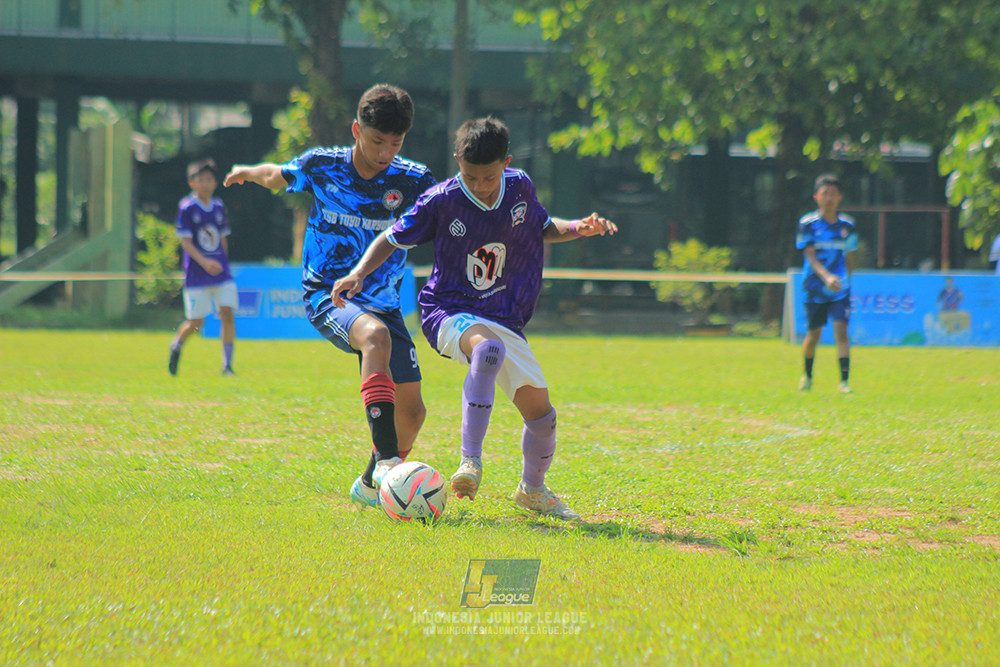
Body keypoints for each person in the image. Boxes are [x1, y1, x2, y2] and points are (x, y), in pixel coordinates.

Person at [331, 117, 617, 521]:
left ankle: (533, 491)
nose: (480, 185)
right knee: (488, 351)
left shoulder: (520, 186)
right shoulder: (441, 200)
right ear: (457, 162)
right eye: (470, 176)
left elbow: (542, 227)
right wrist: (358, 273)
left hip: (504, 315)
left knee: (542, 416)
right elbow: (391, 238)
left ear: (506, 163)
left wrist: (578, 227)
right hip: (448, 309)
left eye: (489, 177)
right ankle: (471, 461)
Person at [223, 84, 436, 509]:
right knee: (374, 337)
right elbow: (276, 175)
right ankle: (388, 462)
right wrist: (248, 171)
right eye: (376, 141)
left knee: (412, 414)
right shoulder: (323, 165)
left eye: (395, 143)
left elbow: (446, 215)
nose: (385, 153)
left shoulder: (414, 180)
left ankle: (371, 485)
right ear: (357, 130)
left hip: (384, 303)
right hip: (327, 294)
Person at [169, 158, 237, 376]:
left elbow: (222, 238)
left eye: (209, 179)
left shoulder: (218, 206)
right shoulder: (187, 207)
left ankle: (227, 366)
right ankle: (177, 345)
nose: (206, 184)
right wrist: (206, 262)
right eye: (201, 180)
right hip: (197, 274)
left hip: (221, 273)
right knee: (196, 323)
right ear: (192, 183)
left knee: (227, 313)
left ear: (215, 182)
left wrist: (223, 263)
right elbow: (186, 242)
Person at [796, 173, 858, 394]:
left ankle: (844, 382)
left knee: (841, 331)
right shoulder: (808, 224)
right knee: (814, 334)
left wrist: (847, 281)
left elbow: (850, 256)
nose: (829, 198)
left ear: (840, 197)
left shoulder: (848, 225)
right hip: (814, 288)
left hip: (840, 289)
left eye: (833, 194)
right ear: (816, 196)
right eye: (825, 193)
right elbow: (810, 257)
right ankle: (807, 375)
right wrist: (826, 278)